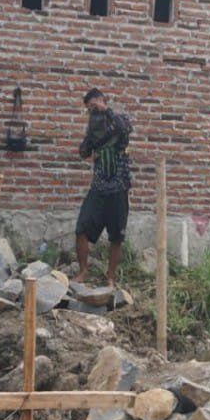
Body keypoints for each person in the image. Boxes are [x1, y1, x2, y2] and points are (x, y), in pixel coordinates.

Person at [74, 88, 133, 287]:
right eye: (89, 109)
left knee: (116, 235)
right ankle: (83, 271)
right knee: (81, 228)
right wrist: (91, 150)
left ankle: (110, 276)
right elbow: (83, 151)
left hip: (119, 187)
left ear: (101, 101)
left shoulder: (119, 119)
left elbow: (125, 129)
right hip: (98, 188)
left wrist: (105, 110)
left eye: (93, 106)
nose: (92, 111)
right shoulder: (94, 127)